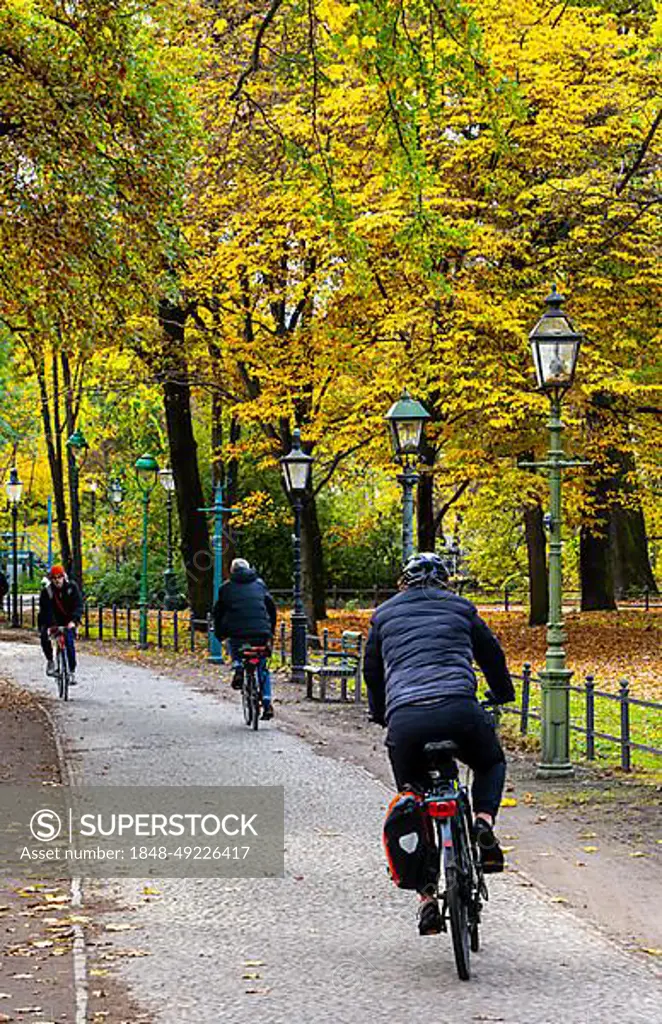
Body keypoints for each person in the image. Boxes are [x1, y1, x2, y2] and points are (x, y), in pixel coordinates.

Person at [364, 551, 515, 936]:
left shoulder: (383, 616)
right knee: (489, 762)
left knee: (412, 799)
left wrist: (382, 712)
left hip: (407, 721)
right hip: (459, 711)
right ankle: (482, 823)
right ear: (445, 581)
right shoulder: (462, 609)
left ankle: (427, 897)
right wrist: (502, 693)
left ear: (404, 581)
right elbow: (491, 655)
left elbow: (372, 672)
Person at [212, 558, 277, 721]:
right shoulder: (260, 585)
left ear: (232, 571)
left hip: (238, 635)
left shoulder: (225, 588)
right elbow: (271, 608)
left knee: (233, 642)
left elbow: (218, 613)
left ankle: (238, 665)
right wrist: (271, 631)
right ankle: (267, 701)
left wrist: (219, 634)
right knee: (262, 667)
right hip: (261, 633)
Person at [38, 565, 83, 684]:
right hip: (51, 620)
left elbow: (78, 605)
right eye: (54, 578)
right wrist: (51, 625)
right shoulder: (47, 592)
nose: (57, 580)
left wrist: (74, 621)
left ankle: (72, 671)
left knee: (69, 643)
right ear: (51, 579)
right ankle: (50, 661)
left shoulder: (72, 588)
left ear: (64, 577)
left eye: (59, 577)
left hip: (69, 621)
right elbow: (45, 610)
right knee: (44, 636)